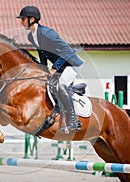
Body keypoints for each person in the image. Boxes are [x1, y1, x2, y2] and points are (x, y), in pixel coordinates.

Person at [17, 5, 84, 133]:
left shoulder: (48, 33)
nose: (21, 22)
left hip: (71, 64)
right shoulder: (31, 36)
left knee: (60, 86)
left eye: (23, 19)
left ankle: (74, 121)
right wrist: (43, 69)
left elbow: (66, 50)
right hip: (60, 66)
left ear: (32, 19)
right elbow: (43, 54)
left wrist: (54, 67)